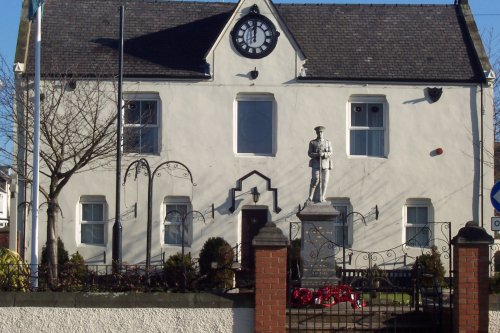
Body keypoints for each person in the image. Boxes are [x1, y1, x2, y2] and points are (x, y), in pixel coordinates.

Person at [308, 126, 333, 202]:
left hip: (325, 164)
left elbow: (331, 152)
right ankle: (310, 196)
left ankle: (322, 196)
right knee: (315, 179)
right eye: (318, 132)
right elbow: (309, 153)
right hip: (316, 164)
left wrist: (324, 154)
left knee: (325, 181)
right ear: (316, 133)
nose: (320, 134)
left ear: (323, 133)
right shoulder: (312, 142)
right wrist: (316, 154)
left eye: (321, 132)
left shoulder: (327, 142)